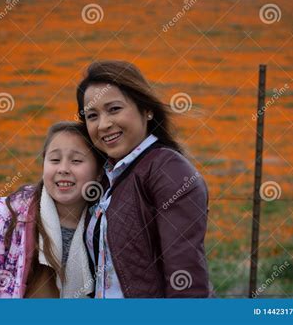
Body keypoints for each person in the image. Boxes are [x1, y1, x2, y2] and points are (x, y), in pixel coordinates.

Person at [76, 60, 211, 298]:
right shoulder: (106, 177)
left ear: (147, 110)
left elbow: (187, 282)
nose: (104, 124)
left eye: (114, 109)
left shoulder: (168, 171)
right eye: (92, 116)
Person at [0, 121, 104, 298]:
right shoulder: (10, 211)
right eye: (54, 160)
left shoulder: (103, 221)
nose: (63, 169)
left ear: (99, 172)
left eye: (76, 160)